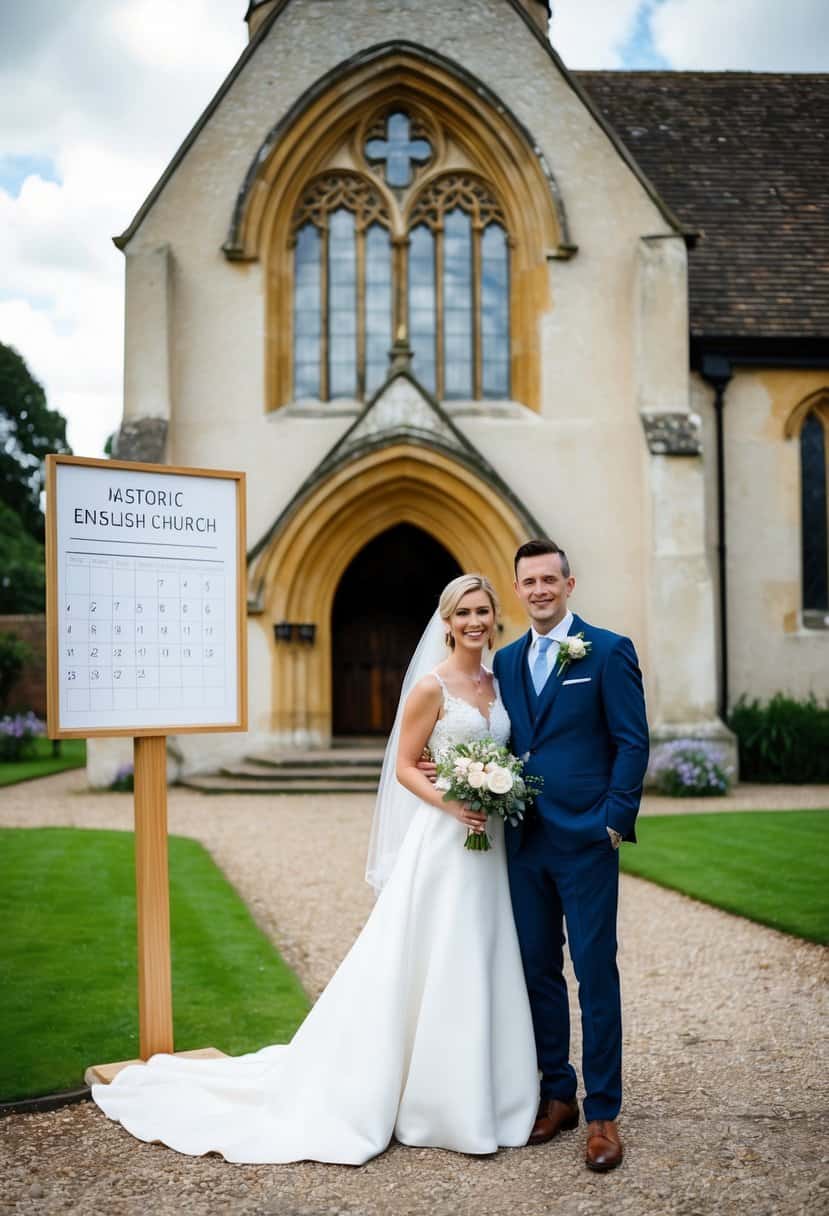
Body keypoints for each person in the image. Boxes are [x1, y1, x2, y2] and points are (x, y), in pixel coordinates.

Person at [92, 574, 539, 1164]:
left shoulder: (499, 680)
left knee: (483, 950)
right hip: (445, 839)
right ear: (448, 621)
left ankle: (488, 1089)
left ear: (493, 617)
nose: (475, 622)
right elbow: (406, 766)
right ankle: (435, 1101)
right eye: (464, 613)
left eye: (483, 611)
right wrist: (453, 802)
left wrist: (495, 791)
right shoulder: (431, 687)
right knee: (437, 950)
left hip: (492, 839)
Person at [492, 538, 649, 1172]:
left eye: (548, 580)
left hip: (586, 840)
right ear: (518, 588)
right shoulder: (503, 662)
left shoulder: (608, 651)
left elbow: (632, 742)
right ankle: (557, 1094)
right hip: (522, 841)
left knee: (595, 971)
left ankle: (604, 1112)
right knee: (536, 971)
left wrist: (614, 821)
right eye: (528, 582)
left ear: (569, 583)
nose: (538, 591)